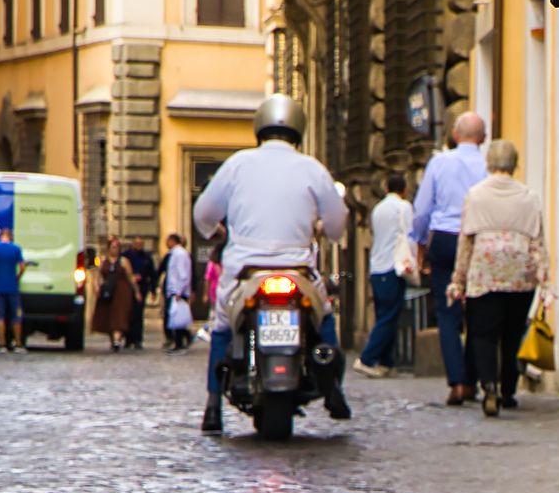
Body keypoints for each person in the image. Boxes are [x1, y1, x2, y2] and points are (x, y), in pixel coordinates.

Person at [192, 93, 348, 433]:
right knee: (324, 318)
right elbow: (338, 224)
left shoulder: (237, 165)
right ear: (298, 130)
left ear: (259, 129)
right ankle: (334, 387)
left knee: (221, 326)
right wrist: (321, 229)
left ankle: (213, 405)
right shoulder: (312, 168)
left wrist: (216, 231)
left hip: (245, 272)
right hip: (299, 271)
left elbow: (202, 213)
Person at [446, 140, 547, 418]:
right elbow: (537, 240)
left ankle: (488, 386)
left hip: (485, 270)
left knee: (482, 332)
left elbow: (466, 241)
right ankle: (508, 390)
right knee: (512, 332)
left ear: (489, 162)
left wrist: (458, 279)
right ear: (514, 163)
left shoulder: (475, 195)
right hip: (520, 270)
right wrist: (544, 278)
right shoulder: (529, 196)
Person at [410, 112, 492, 405]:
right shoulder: (488, 165)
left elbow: (421, 210)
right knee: (477, 312)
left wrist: (419, 242)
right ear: (482, 138)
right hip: (479, 238)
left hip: (445, 238)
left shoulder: (439, 162)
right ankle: (472, 381)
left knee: (447, 313)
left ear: (456, 135)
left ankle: (457, 382)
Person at [357, 173, 413, 377]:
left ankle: (386, 362)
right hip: (393, 266)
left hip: (376, 267)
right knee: (389, 316)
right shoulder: (403, 207)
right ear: (404, 189)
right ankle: (367, 358)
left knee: (383, 314)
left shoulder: (378, 209)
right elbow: (410, 234)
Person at [0, 226, 27, 352]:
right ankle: (18, 344)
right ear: (11, 237)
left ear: (0, 236)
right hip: (12, 286)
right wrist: (17, 278)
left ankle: (2, 344)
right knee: (16, 315)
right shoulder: (16, 249)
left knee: (0, 315)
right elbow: (22, 267)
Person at [90, 237, 139, 350]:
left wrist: (136, 291)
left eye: (117, 247)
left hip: (121, 291)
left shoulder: (124, 261)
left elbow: (130, 276)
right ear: (108, 248)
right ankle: (113, 338)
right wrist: (96, 287)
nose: (115, 249)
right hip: (107, 291)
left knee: (120, 316)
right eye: (113, 247)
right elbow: (98, 276)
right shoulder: (102, 261)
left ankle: (117, 340)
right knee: (108, 315)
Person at [161, 233, 194, 351]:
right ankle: (182, 339)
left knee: (177, 318)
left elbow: (182, 274)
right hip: (174, 290)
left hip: (177, 291)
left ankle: (179, 342)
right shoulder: (175, 253)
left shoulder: (179, 254)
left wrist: (179, 291)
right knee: (175, 317)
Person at [123, 237, 157, 349]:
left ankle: (137, 339)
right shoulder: (126, 255)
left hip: (142, 287)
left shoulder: (147, 257)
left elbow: (152, 274)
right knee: (128, 314)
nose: (139, 246)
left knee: (138, 314)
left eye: (141, 244)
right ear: (133, 244)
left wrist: (153, 290)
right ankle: (128, 339)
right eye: (137, 244)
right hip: (128, 287)